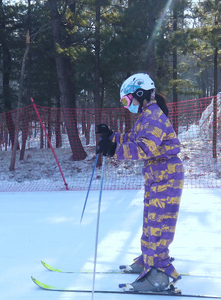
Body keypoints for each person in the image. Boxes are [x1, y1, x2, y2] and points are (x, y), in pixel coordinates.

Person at [96, 73, 184, 292]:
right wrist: (113, 136)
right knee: (150, 221)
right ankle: (149, 260)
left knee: (159, 224)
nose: (127, 106)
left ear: (139, 94)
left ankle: (158, 275)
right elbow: (134, 138)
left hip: (166, 174)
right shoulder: (147, 115)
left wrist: (114, 150)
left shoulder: (153, 116)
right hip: (158, 174)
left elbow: (145, 148)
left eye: (127, 100)